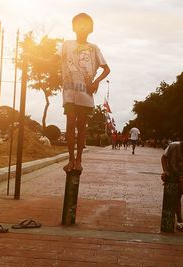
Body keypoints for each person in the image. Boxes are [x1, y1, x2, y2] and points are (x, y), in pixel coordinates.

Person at [56, 13, 110, 172]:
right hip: (69, 92)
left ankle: (79, 159)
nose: (82, 27)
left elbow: (106, 69)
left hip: (85, 92)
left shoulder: (93, 48)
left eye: (85, 24)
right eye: (79, 24)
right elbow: (52, 59)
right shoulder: (66, 45)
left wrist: (95, 82)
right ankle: (71, 159)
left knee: (81, 126)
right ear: (73, 27)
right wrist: (33, 57)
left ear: (91, 28)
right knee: (70, 124)